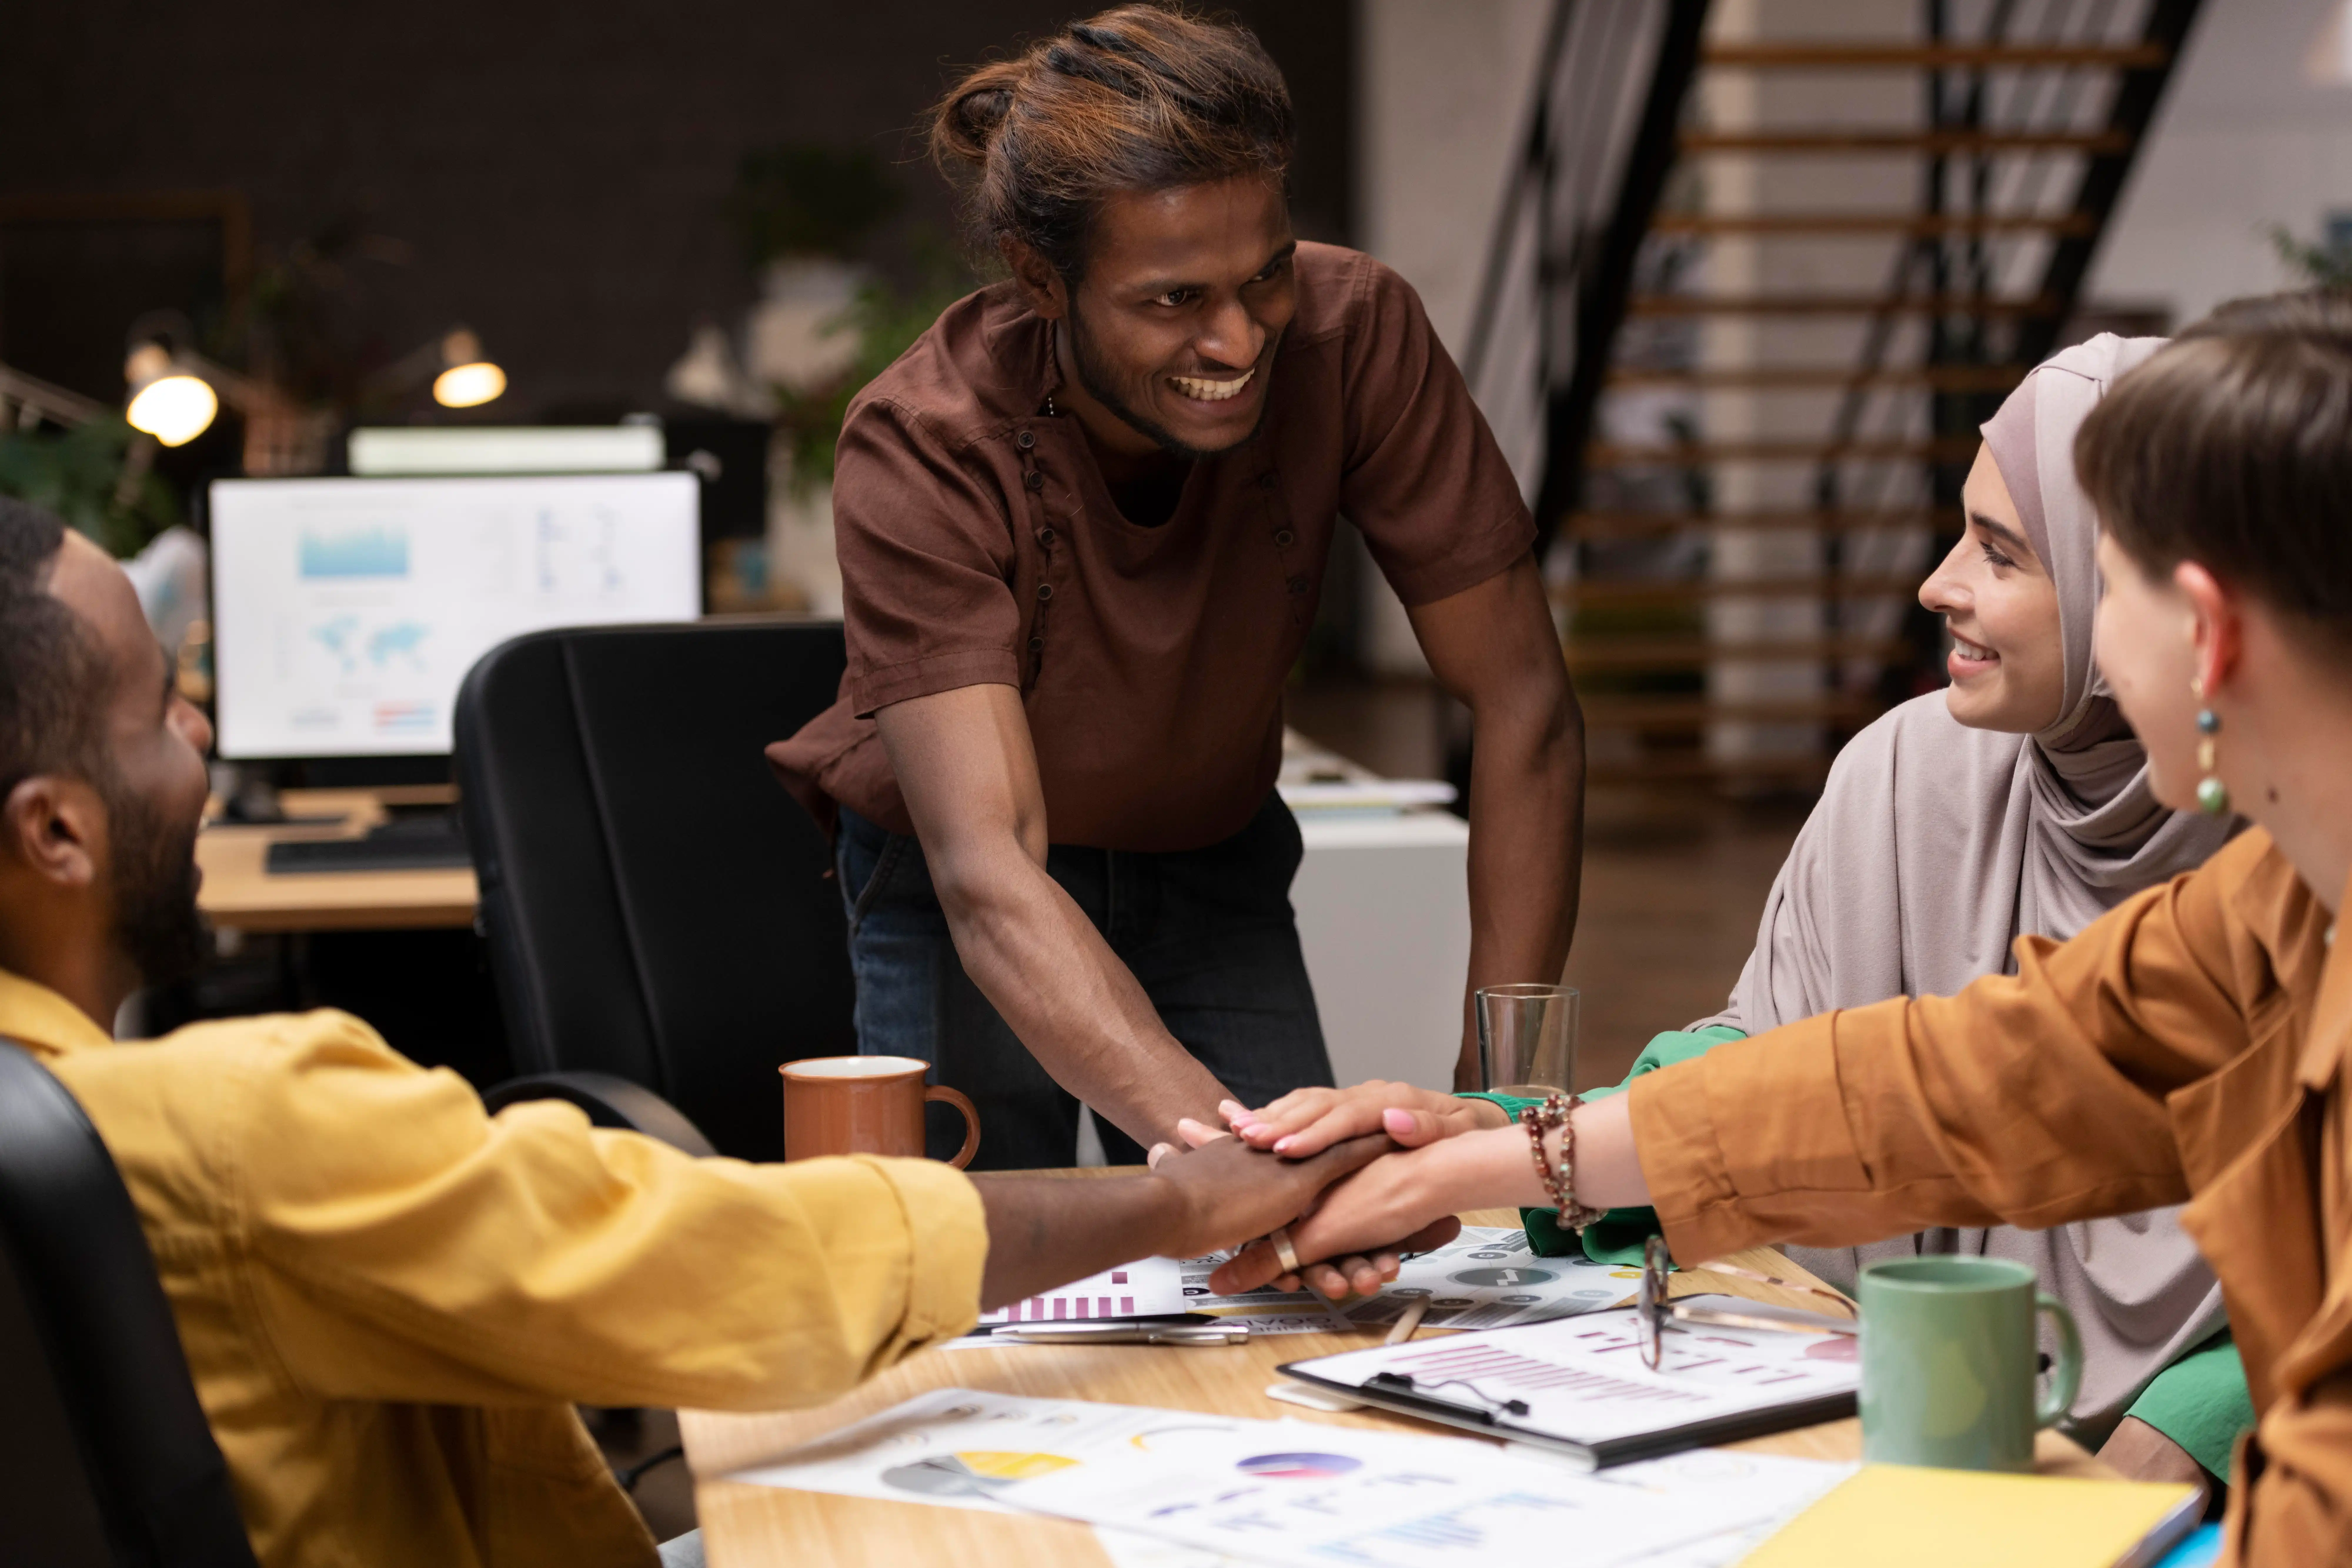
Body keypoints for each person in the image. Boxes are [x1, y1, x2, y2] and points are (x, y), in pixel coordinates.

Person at [0, 496, 1402, 1566]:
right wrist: (1171, 1196)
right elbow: (755, 1260)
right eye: (156, 707)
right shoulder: (243, 1124)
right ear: (56, 830)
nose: (196, 724)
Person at [1209, 292, 2352, 1564]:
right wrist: (1479, 1159)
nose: (1935, 588)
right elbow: (1952, 1080)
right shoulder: (2273, 901)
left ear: (2210, 628)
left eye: (2102, 574)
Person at [765, 5, 1583, 1170]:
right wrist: (1243, 1165)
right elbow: (992, 861)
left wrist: (1502, 1097)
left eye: (1265, 277)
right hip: (968, 888)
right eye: (1172, 301)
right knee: (996, 1279)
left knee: (1281, 1283)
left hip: (1210, 853)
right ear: (1039, 281)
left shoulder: (1355, 337)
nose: (1240, 339)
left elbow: (1523, 707)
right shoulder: (922, 440)